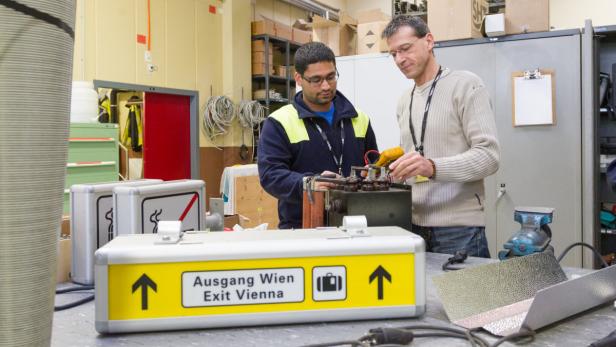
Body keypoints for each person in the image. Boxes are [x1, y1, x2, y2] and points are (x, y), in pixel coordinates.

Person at [381, 16, 500, 257]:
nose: (400, 60)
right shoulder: (404, 100)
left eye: (405, 49)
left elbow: (489, 156)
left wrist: (432, 167)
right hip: (413, 229)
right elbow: (415, 162)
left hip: (460, 231)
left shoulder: (466, 85)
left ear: (429, 41)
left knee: (465, 297)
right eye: (393, 54)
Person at [258, 42, 378, 229]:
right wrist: (308, 183)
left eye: (331, 77)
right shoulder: (279, 122)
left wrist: (374, 172)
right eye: (316, 80)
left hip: (355, 225)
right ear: (298, 78)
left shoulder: (359, 119)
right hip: (301, 228)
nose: (326, 86)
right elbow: (270, 176)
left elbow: (372, 164)